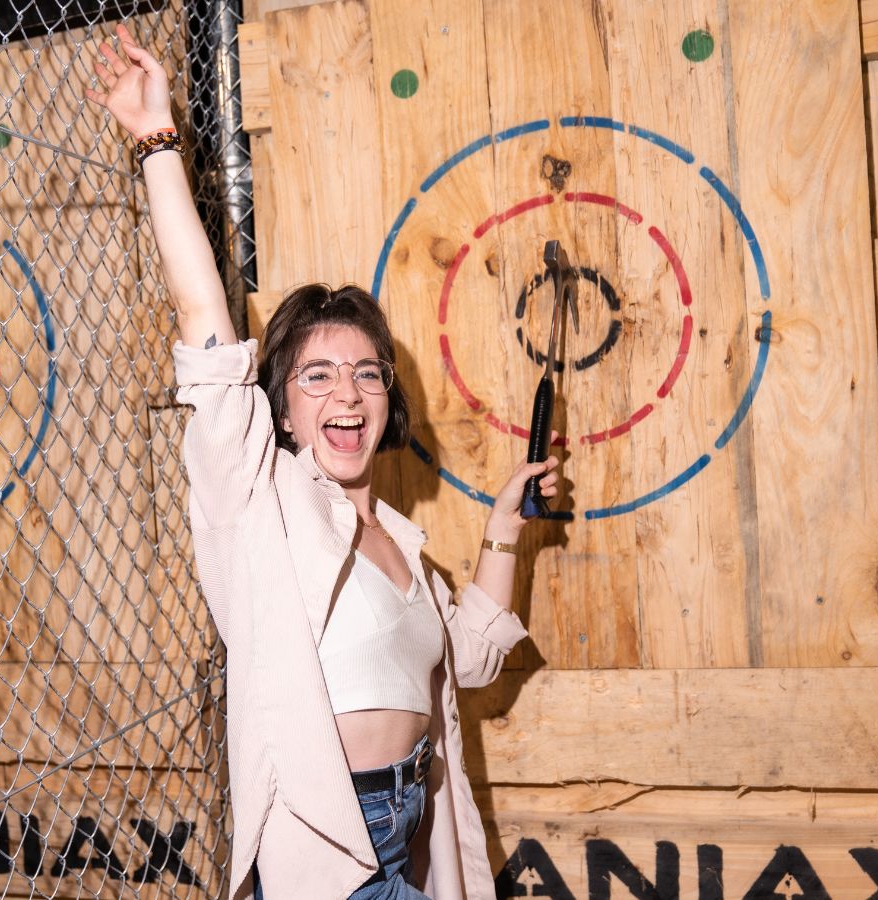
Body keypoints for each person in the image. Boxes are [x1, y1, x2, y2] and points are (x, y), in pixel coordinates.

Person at [87, 24, 560, 900]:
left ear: (387, 399)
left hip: (409, 829)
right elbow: (205, 326)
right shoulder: (260, 495)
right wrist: (157, 142)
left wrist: (503, 529)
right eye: (317, 375)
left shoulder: (404, 547)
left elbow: (471, 663)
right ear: (283, 405)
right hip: (332, 849)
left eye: (365, 372)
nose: (346, 392)